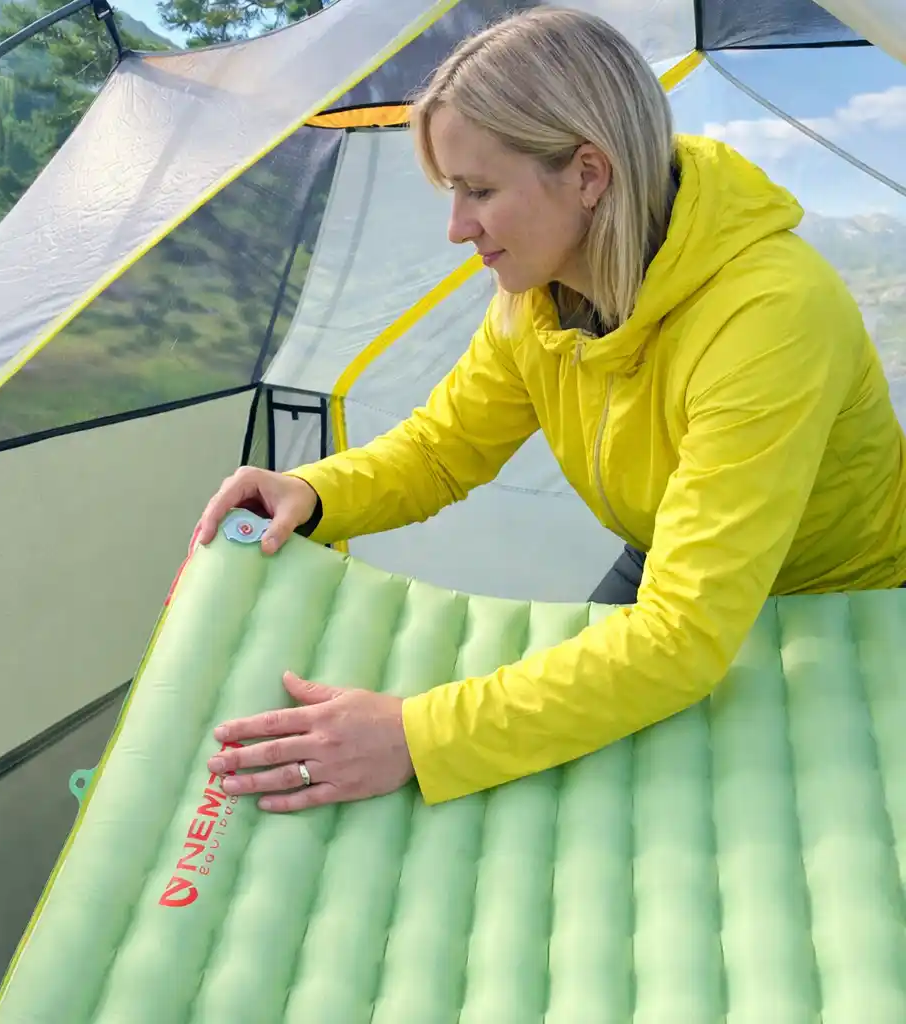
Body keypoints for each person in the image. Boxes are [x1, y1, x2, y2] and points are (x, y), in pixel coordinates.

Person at [197, 8, 906, 814]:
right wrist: (312, 491)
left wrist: (417, 736)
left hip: (838, 598)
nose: (457, 227)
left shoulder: (769, 316)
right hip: (665, 561)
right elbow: (441, 450)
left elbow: (682, 637)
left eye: (480, 190)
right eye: (453, 191)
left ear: (589, 175)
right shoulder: (538, 302)